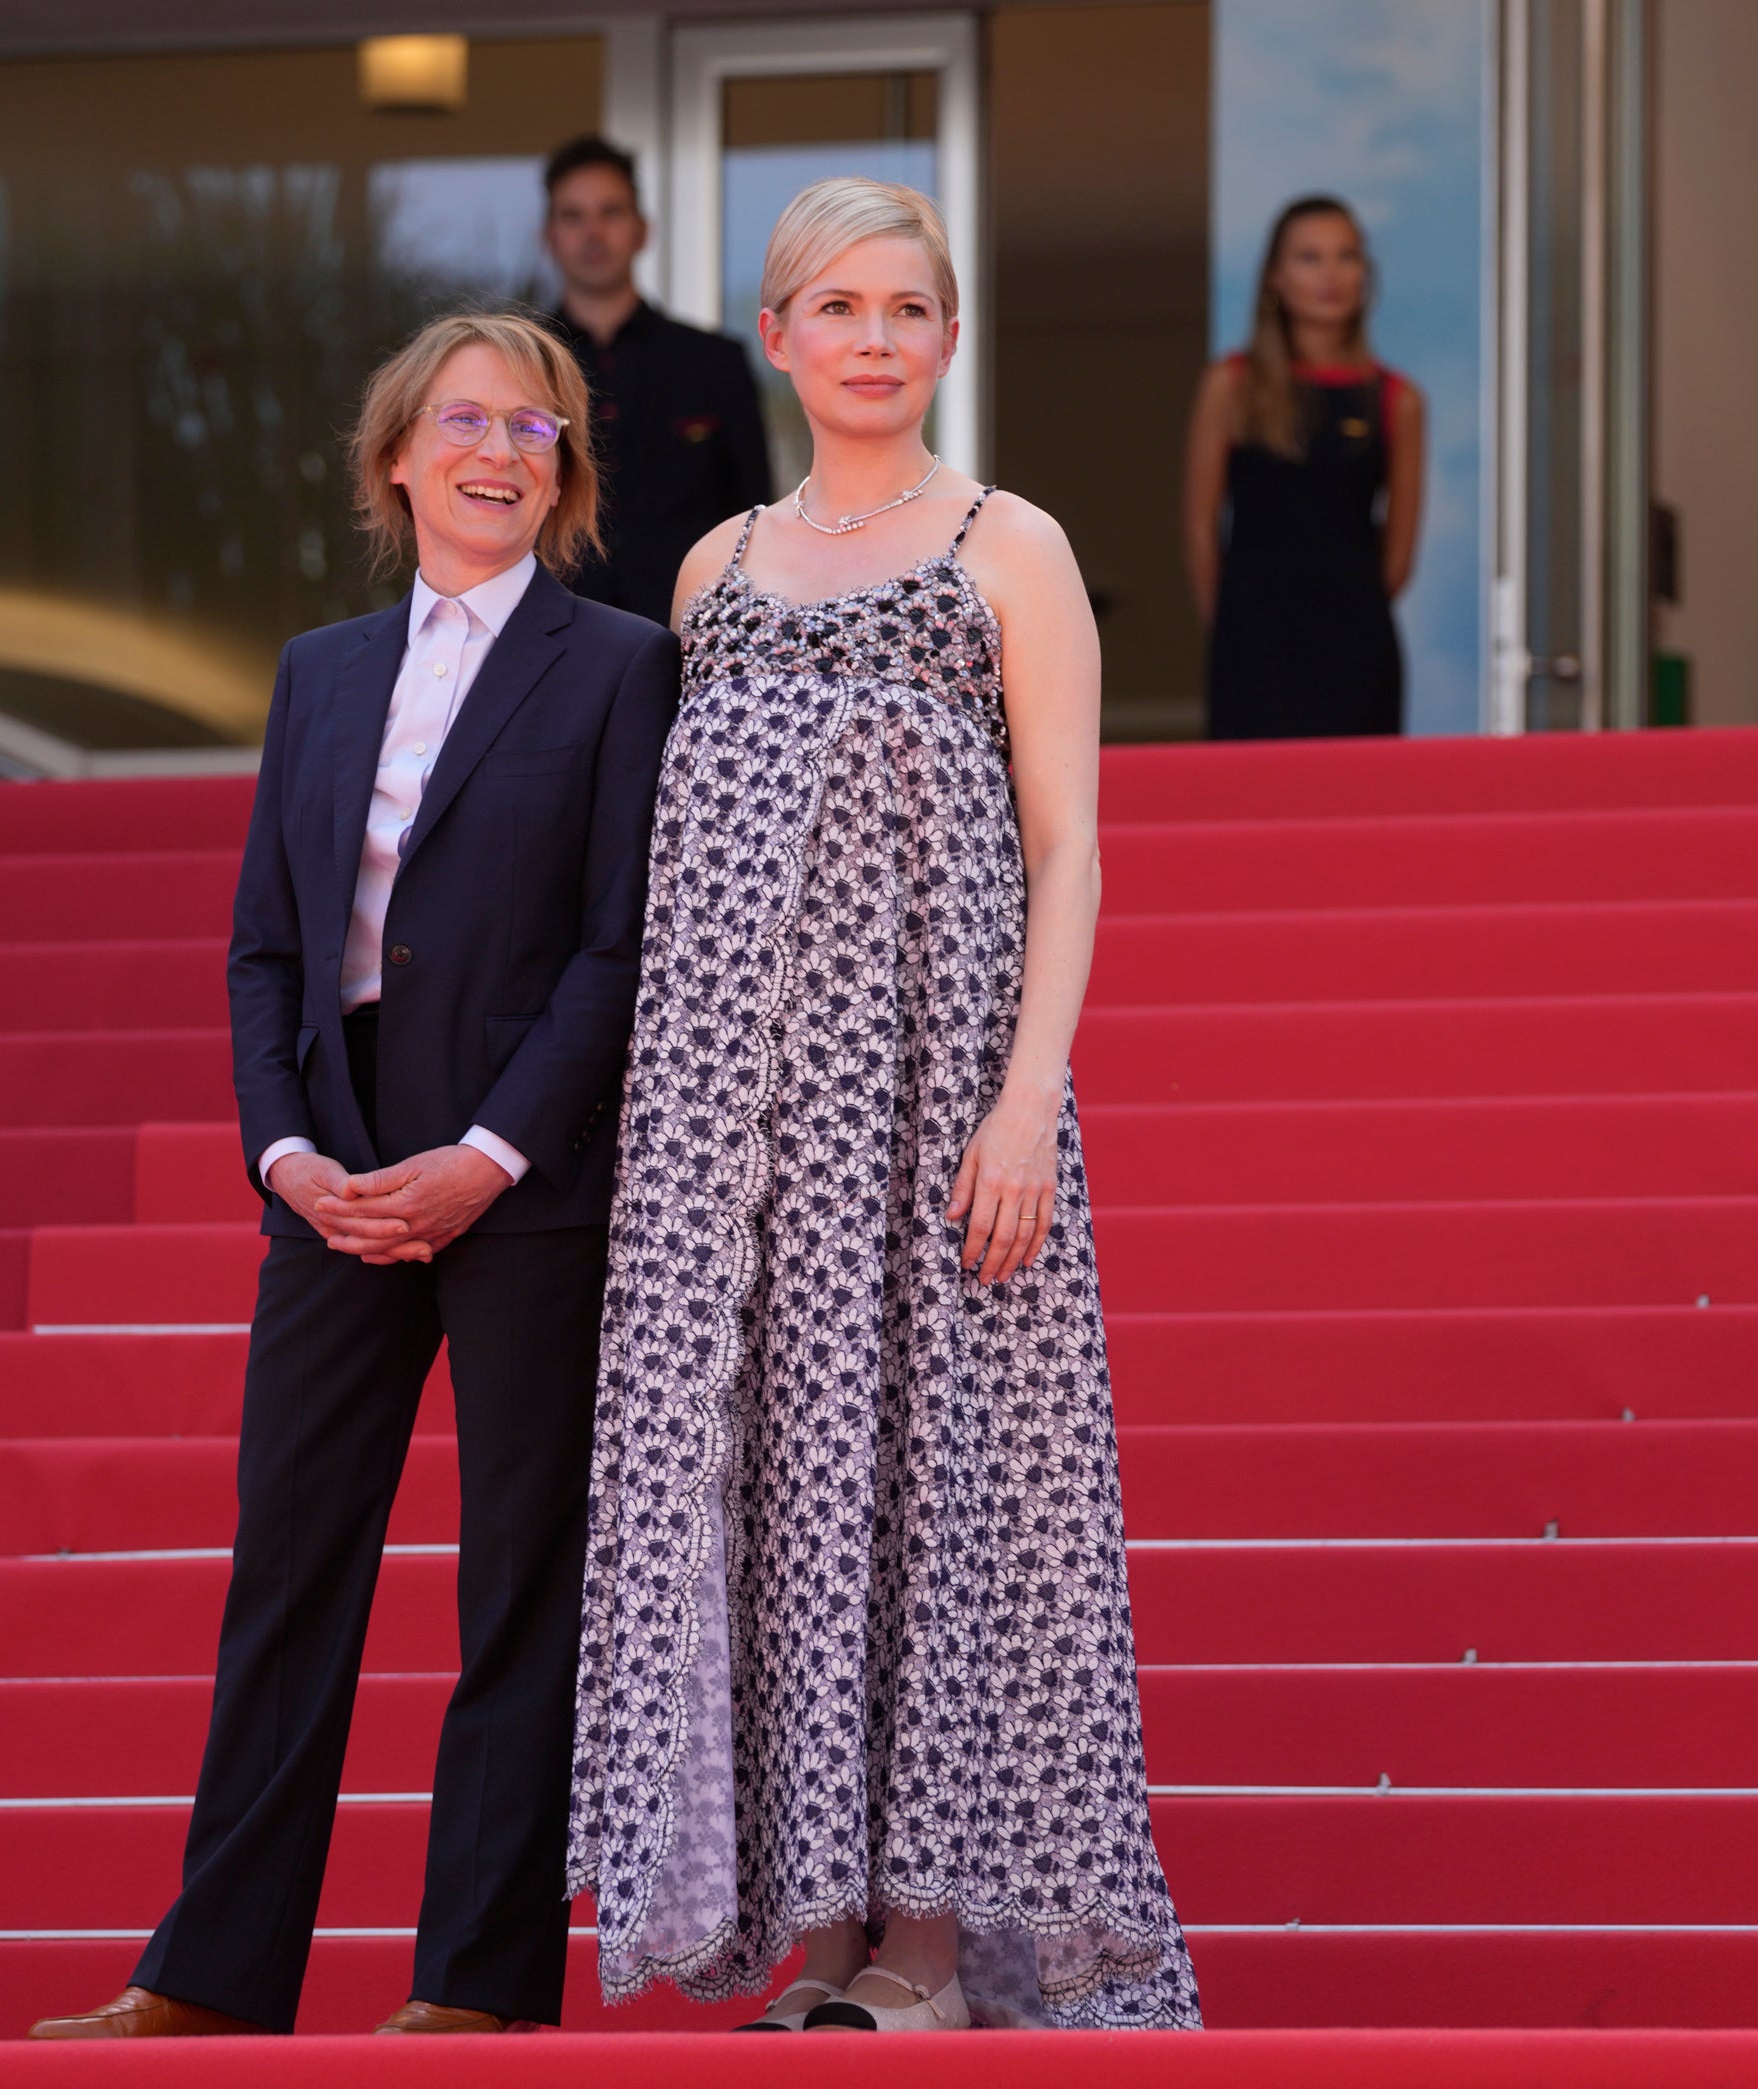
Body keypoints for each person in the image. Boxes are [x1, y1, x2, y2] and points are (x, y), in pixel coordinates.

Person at [566, 176, 1201, 2033]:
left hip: (938, 1106)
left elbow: (1071, 848)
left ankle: (927, 1931)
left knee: (946, 1489)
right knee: (776, 1497)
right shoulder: (710, 570)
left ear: (944, 338)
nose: (868, 337)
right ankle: (819, 1919)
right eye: (832, 306)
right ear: (774, 336)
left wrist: (1027, 1100)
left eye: (903, 308)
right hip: (731, 1135)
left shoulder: (1011, 543)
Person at [28, 310, 680, 2039]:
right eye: (463, 419)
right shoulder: (318, 672)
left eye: (534, 429)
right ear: (397, 456)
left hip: (520, 1179)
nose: (497, 449)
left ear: (566, 471)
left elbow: (621, 947)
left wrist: (484, 1152)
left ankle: (473, 1981)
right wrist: (287, 1146)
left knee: (518, 1574)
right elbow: (264, 948)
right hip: (331, 1179)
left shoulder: (619, 662)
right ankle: (206, 1973)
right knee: (291, 1562)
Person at [1184, 194, 1422, 738]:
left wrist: (1344, 615)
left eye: (1347, 256)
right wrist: (1233, 628)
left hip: (1358, 647)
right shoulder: (1232, 385)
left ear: (1366, 273)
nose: (1331, 274)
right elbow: (1200, 529)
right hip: (1252, 642)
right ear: (1275, 276)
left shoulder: (1397, 399)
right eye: (1309, 258)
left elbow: (1399, 557)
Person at [539, 136, 774, 626]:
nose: (593, 233)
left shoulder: (714, 363)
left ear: (643, 230)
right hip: (547, 633)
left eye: (611, 212)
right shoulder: (520, 366)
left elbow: (755, 520)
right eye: (573, 216)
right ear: (549, 235)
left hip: (688, 638)